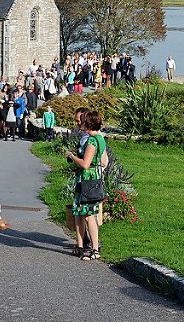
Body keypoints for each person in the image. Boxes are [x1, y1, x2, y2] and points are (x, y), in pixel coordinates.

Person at [64, 110, 107, 261]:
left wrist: (71, 156)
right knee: (85, 213)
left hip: (86, 179)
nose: (79, 123)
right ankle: (84, 247)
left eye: (82, 121)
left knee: (86, 214)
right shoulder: (100, 139)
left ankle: (92, 248)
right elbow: (101, 161)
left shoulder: (92, 141)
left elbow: (85, 164)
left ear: (88, 123)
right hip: (92, 178)